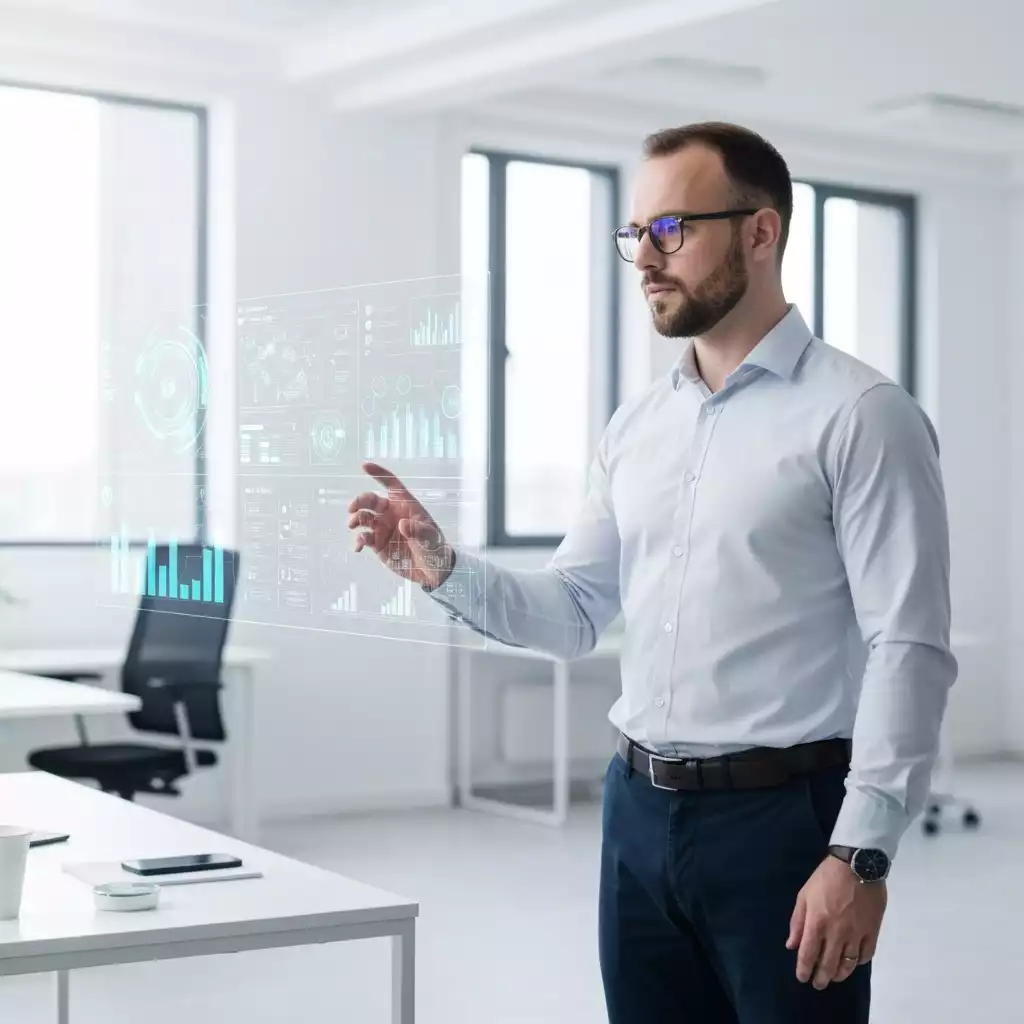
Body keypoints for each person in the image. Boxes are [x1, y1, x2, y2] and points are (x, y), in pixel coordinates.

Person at [348, 121, 958, 1024]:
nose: (644, 257)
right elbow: (574, 611)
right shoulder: (636, 427)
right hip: (636, 815)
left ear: (761, 232)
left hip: (784, 826)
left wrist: (860, 855)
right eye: (636, 232)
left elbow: (908, 646)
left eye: (671, 229)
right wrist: (444, 569)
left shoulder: (862, 416)